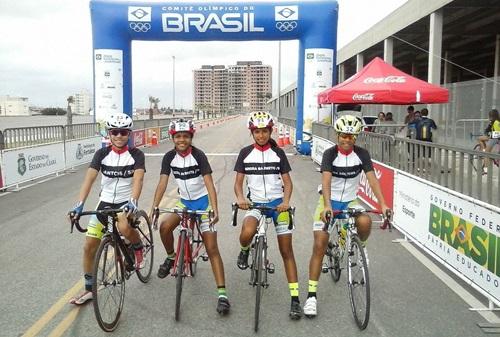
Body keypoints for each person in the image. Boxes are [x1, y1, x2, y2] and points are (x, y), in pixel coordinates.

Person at [303, 115, 390, 318]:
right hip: (329, 201)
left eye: (351, 136)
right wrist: (327, 205)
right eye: (343, 135)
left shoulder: (362, 154)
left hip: (350, 201)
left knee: (365, 221)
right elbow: (325, 182)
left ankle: (361, 248)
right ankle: (311, 297)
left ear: (356, 137)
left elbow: (372, 180)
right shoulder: (330, 154)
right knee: (319, 244)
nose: (347, 139)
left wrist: (383, 204)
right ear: (338, 135)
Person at [151, 119, 230, 315]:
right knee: (164, 227)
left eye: (185, 136)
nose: (182, 140)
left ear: (191, 137)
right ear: (173, 138)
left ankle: (222, 295)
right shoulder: (169, 157)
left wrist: (215, 209)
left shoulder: (198, 155)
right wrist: (155, 206)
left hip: (203, 203)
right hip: (184, 202)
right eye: (178, 136)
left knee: (212, 248)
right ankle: (171, 257)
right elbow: (162, 183)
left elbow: (210, 183)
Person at [68, 113, 146, 305]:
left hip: (125, 203)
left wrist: (133, 200)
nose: (119, 136)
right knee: (88, 247)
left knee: (125, 228)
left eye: (123, 132)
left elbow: (138, 178)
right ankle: (89, 290)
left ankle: (138, 247)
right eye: (115, 132)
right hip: (104, 204)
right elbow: (90, 179)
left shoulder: (136, 154)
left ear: (129, 134)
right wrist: (79, 205)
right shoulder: (101, 154)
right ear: (109, 134)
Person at [234, 111, 302, 319]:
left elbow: (288, 183)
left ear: (270, 131)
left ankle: (295, 299)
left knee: (286, 250)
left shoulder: (278, 153)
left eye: (264, 131)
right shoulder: (245, 153)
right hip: (254, 203)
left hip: (277, 205)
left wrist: (286, 202)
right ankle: (245, 250)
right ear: (252, 132)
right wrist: (240, 199)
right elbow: (238, 184)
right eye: (257, 131)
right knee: (247, 232)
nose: (261, 135)